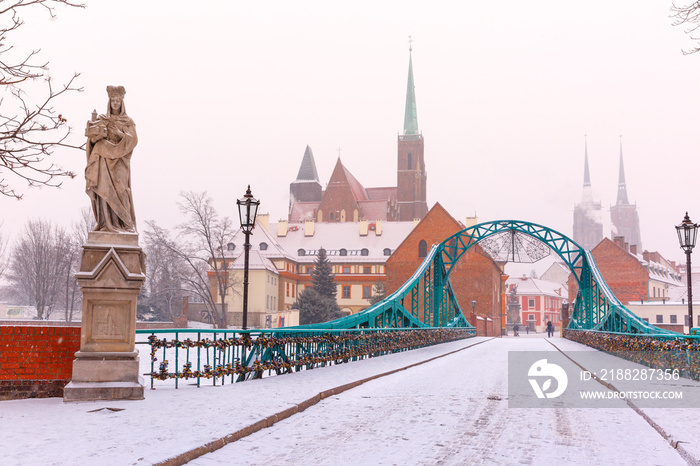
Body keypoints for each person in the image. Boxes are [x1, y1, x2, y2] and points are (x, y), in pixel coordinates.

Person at [85, 85, 138, 232]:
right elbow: (92, 140)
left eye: (118, 100)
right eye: (113, 100)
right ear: (109, 101)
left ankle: (125, 225)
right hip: (104, 159)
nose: (115, 103)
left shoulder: (128, 121)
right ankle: (106, 223)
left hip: (120, 160)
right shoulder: (102, 119)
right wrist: (96, 137)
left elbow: (133, 140)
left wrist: (120, 134)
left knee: (121, 190)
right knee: (104, 190)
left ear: (122, 102)